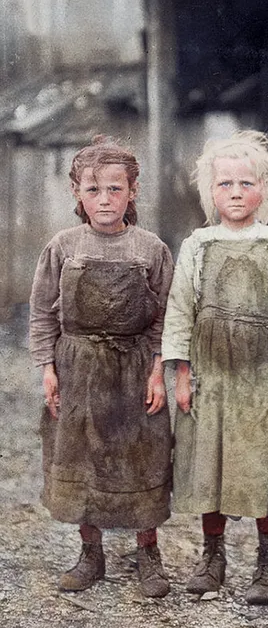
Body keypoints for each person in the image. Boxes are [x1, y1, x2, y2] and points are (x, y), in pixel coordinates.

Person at [29, 137, 174, 598]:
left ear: (132, 191)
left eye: (115, 189)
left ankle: (148, 554)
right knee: (81, 456)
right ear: (77, 193)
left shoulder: (150, 248)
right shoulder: (62, 245)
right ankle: (90, 554)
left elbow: (165, 318)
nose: (105, 200)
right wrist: (47, 369)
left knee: (141, 457)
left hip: (133, 369)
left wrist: (157, 372)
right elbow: (42, 313)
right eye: (93, 190)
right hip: (78, 368)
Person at [162, 130, 268, 605]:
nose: (235, 192)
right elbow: (180, 310)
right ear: (210, 191)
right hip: (210, 377)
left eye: (246, 183)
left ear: (265, 187)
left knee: (263, 467)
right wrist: (181, 374)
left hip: (260, 377)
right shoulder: (197, 244)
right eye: (225, 184)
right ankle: (212, 556)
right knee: (209, 467)